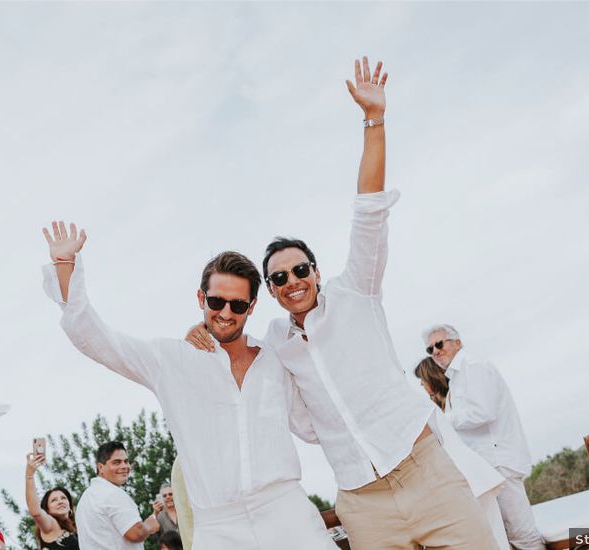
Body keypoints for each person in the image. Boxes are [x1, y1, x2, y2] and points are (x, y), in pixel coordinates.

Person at [184, 56, 496, 550]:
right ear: (271, 290)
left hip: (426, 475)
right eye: (280, 277)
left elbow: (368, 210)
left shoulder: (358, 292)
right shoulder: (277, 346)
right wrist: (199, 334)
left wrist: (374, 120)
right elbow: (246, 367)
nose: (293, 281)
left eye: (301, 270)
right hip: (362, 502)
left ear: (317, 271)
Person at [40, 217, 337, 549]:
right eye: (216, 302)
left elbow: (313, 425)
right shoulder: (171, 360)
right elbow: (94, 338)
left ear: (251, 306)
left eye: (237, 304)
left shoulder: (275, 359)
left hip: (288, 512)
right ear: (201, 298)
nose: (225, 312)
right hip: (219, 527)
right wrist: (65, 265)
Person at [423, 324, 546, 550]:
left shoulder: (473, 366)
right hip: (490, 466)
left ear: (457, 342)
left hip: (498, 460)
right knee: (508, 538)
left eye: (439, 344)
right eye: (430, 349)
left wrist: (441, 420)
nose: (436, 351)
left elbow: (483, 411)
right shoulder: (459, 375)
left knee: (523, 535)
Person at [414, 357, 510, 550]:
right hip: (472, 480)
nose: (421, 386)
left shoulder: (433, 409)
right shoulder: (439, 405)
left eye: (422, 380)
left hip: (473, 479)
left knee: (498, 537)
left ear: (430, 378)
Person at [74, 441, 160, 549]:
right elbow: (136, 533)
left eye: (126, 461)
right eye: (116, 462)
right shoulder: (112, 493)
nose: (124, 466)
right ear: (100, 467)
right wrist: (149, 524)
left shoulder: (85, 498)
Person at [25, 452, 79, 549]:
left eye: (63, 498)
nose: (60, 501)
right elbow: (36, 512)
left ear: (70, 505)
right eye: (54, 500)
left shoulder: (77, 529)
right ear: (47, 510)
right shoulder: (51, 525)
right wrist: (29, 476)